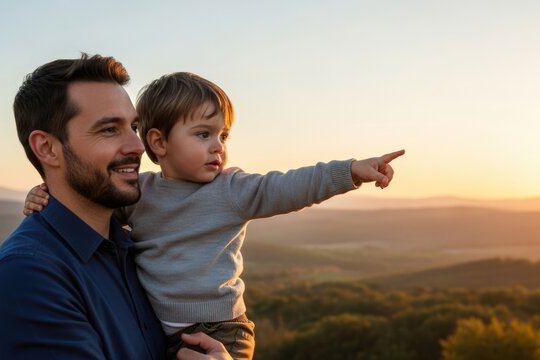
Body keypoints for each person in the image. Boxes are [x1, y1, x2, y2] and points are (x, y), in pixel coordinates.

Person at [24, 72, 405, 359]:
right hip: (160, 331)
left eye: (223, 136)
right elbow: (87, 202)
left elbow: (291, 186)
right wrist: (43, 195)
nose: (217, 147)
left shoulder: (230, 190)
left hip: (222, 332)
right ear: (158, 142)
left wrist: (352, 170)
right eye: (203, 134)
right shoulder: (138, 192)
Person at [0, 55, 230, 360]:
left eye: (133, 127)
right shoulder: (25, 277)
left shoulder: (132, 251)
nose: (137, 146)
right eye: (109, 130)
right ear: (47, 148)